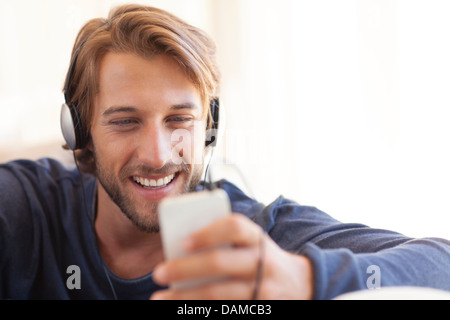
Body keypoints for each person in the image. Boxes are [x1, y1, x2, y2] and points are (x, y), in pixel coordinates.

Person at [1, 4, 450, 300]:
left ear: (209, 128)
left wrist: (305, 279)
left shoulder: (260, 238)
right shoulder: (26, 210)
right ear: (79, 131)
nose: (158, 155)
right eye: (124, 121)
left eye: (180, 120)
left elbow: (441, 263)